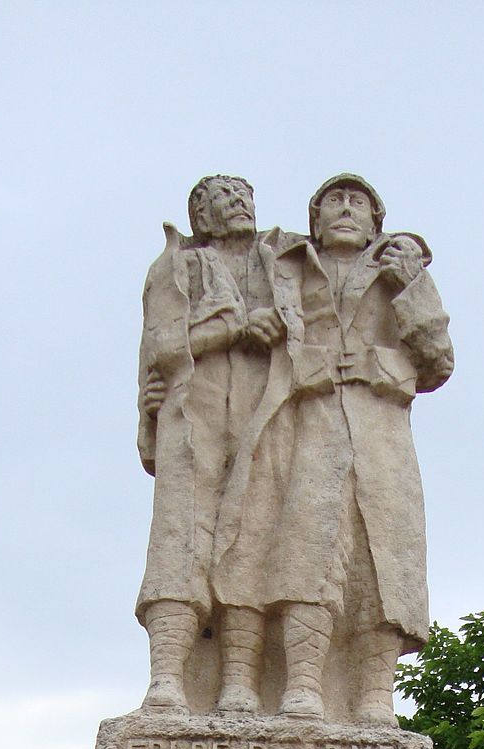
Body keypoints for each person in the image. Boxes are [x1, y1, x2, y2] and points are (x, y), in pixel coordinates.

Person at [211, 173, 453, 723]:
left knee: (382, 563)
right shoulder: (284, 263)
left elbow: (438, 361)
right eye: (334, 202)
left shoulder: (402, 275)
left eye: (358, 202)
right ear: (314, 219)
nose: (346, 210)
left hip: (380, 435)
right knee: (303, 550)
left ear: (376, 221)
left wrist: (406, 295)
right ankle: (301, 687)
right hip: (304, 425)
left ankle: (374, 696)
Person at [134, 176, 285, 711]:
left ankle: (241, 682)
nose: (240, 204)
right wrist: (233, 331)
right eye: (224, 197)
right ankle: (168, 678)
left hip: (267, 417)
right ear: (199, 213)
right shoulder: (177, 266)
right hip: (192, 414)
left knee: (255, 539)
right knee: (180, 540)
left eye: (246, 195)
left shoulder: (280, 263)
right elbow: (161, 344)